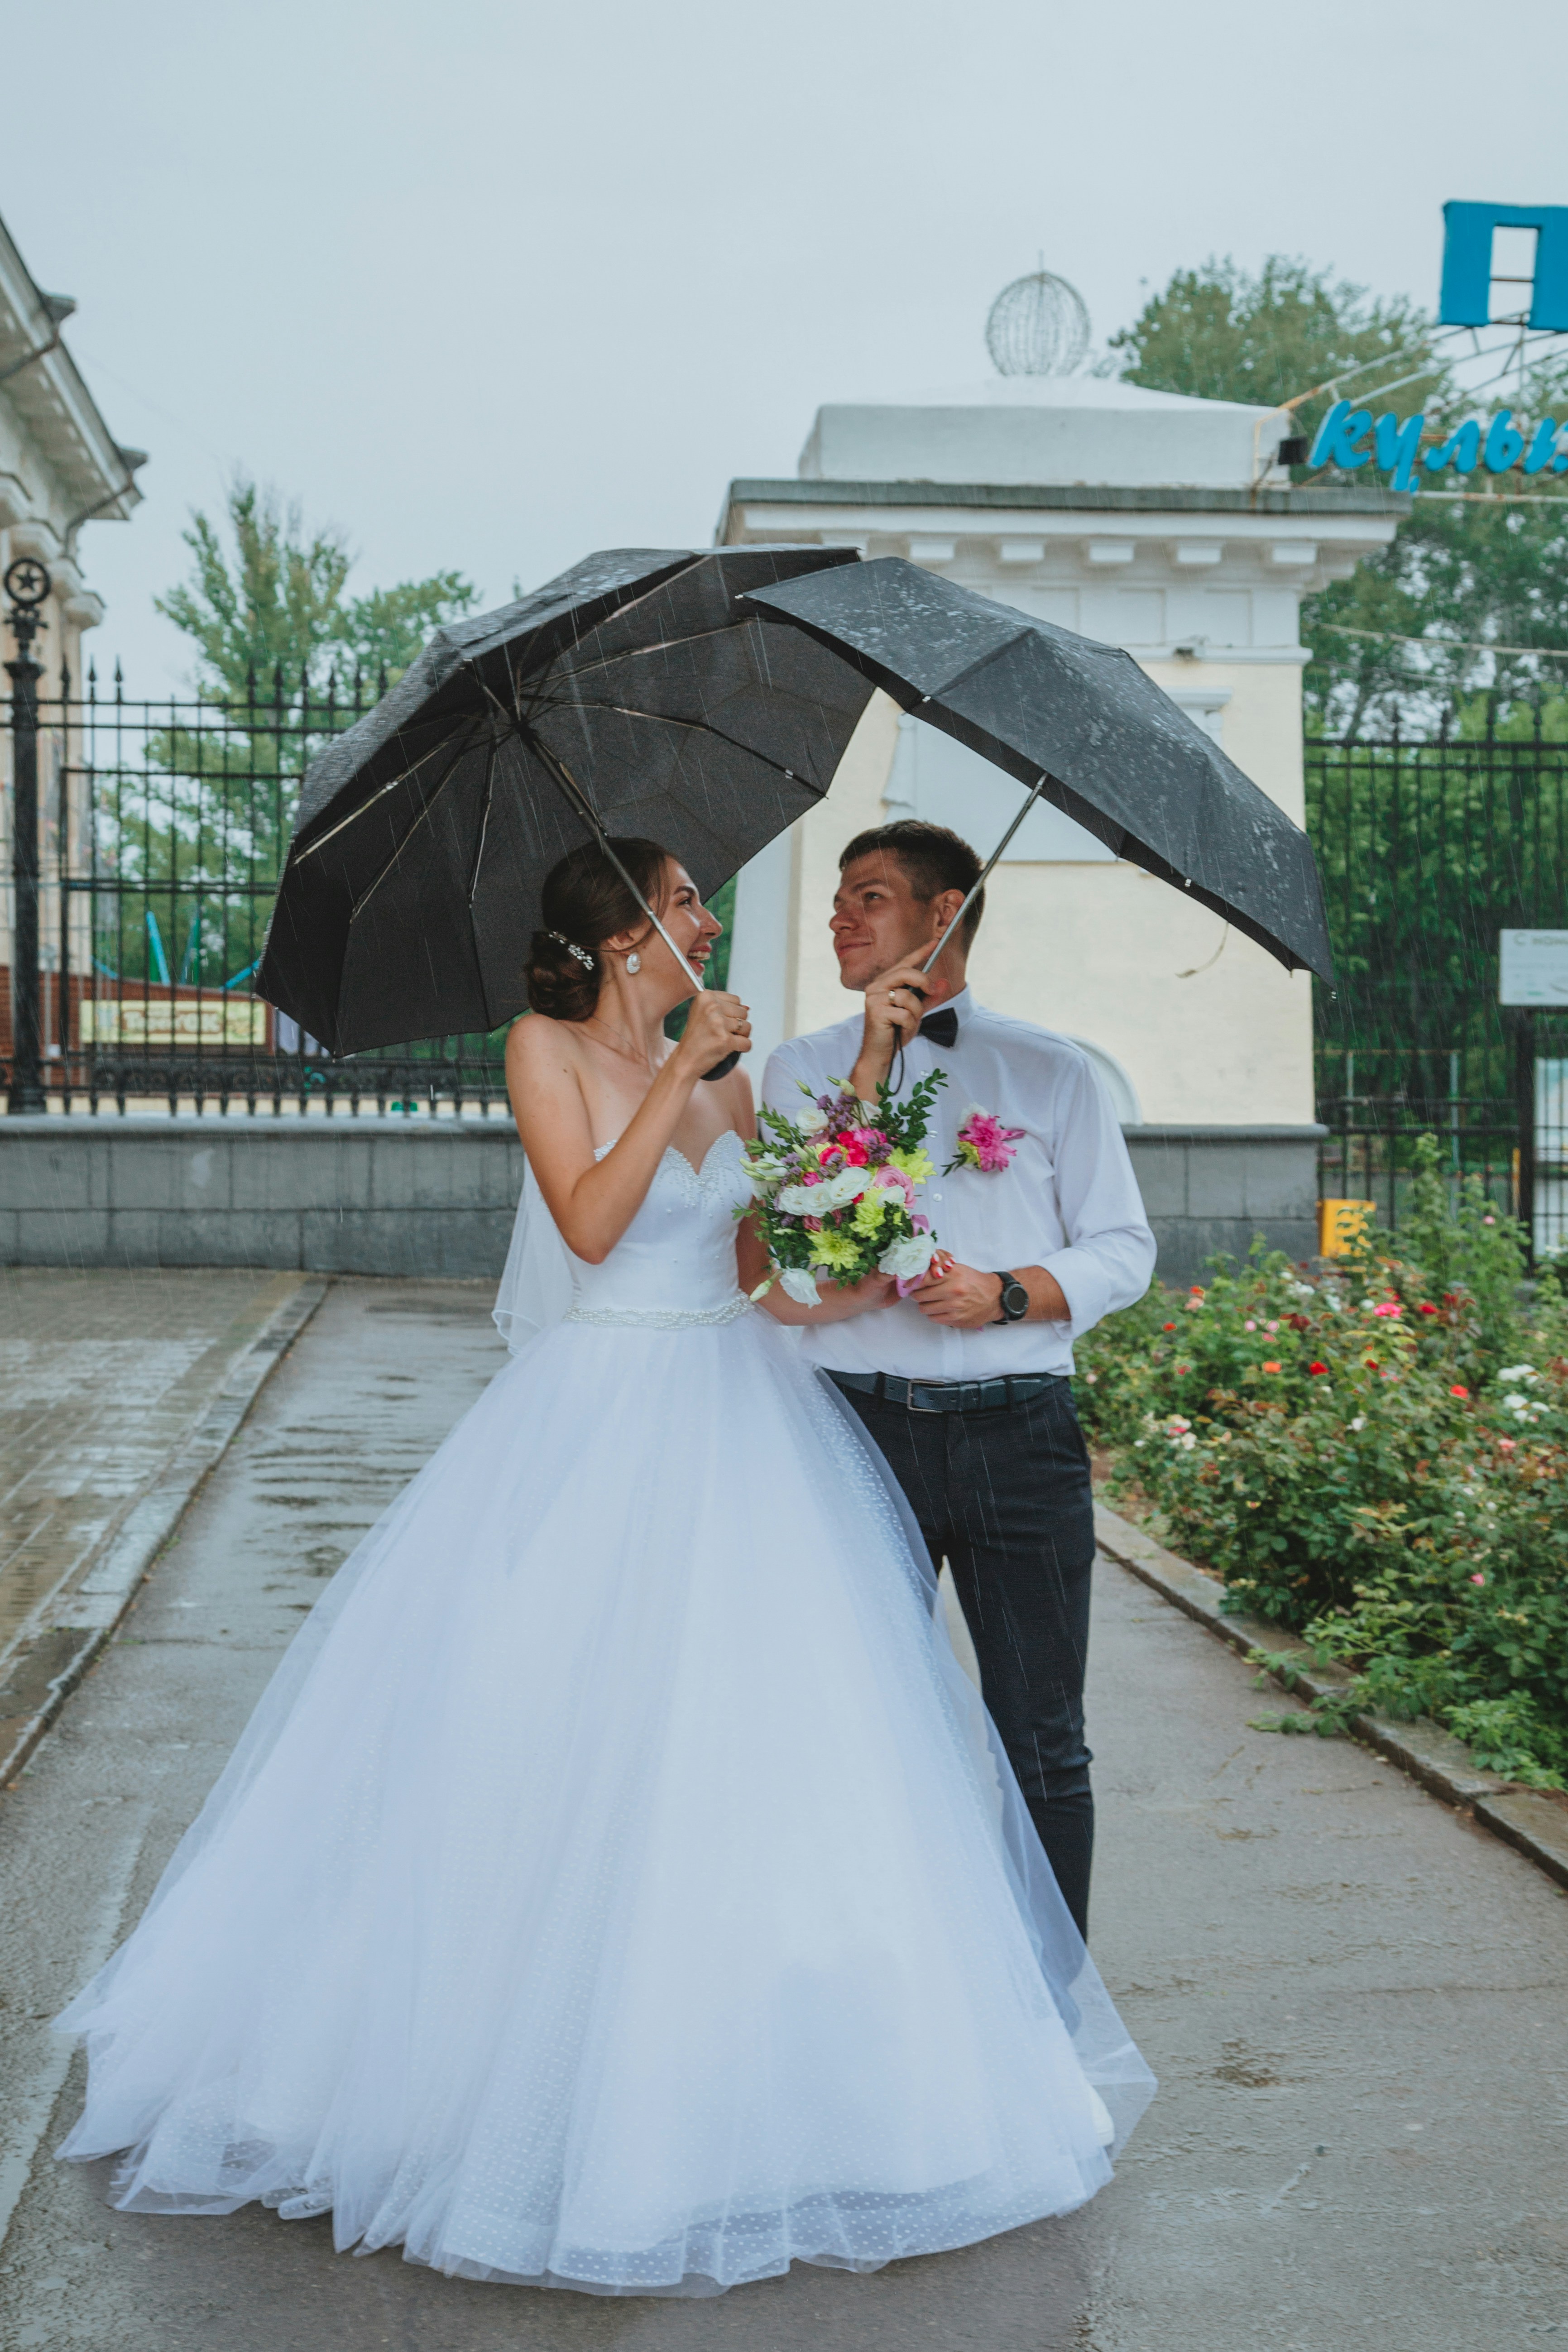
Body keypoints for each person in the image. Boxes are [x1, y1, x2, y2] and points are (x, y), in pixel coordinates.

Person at [54, 836, 1151, 2298]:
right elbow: (590, 1221)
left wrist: (852, 1238)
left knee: (771, 1763)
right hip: (601, 1422)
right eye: (689, 898)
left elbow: (767, 1279)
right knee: (554, 1742)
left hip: (750, 1425)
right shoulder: (543, 1047)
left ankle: (789, 2069)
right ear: (627, 934)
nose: (714, 916)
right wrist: (684, 1068)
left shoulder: (742, 1079)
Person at [763, 820, 1156, 1943]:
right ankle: (881, 1994)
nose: (838, 914)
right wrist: (872, 1067)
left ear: (944, 915)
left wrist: (1011, 1292)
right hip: (853, 1436)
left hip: (1018, 1438)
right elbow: (797, 1259)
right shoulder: (797, 1073)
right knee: (858, 1727)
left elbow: (1124, 1247)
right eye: (837, 896)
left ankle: (1047, 2004)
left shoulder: (1053, 1072)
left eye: (869, 895)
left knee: (1041, 1739)